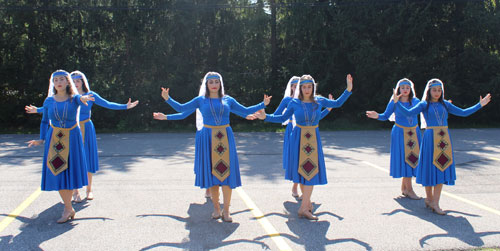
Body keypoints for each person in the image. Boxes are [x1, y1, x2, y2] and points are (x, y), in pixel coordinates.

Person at [158, 71, 271, 222]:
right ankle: (216, 209)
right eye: (211, 82)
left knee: (227, 174)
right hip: (208, 138)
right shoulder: (200, 100)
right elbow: (181, 109)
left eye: (216, 82)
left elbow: (244, 110)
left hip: (225, 137)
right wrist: (168, 99)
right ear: (206, 84)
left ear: (220, 84)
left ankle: (226, 211)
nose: (214, 85)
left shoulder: (228, 99)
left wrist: (263, 104)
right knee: (213, 175)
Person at [251, 74, 353, 220]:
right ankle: (304, 207)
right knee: (304, 172)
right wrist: (265, 117)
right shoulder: (294, 102)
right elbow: (281, 118)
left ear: (313, 87)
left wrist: (348, 90)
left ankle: (305, 207)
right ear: (300, 88)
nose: (306, 89)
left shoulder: (319, 101)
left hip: (313, 139)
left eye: (309, 87)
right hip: (298, 139)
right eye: (304, 87)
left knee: (311, 171)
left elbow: (336, 103)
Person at [394, 78, 491, 214]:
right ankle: (429, 199)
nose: (437, 92)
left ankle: (436, 202)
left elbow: (463, 113)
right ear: (429, 91)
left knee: (441, 167)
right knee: (429, 168)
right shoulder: (424, 104)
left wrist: (479, 105)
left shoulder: (445, 104)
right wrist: (396, 103)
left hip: (444, 139)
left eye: (439, 90)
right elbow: (408, 113)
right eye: (434, 90)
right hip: (430, 138)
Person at [27, 70, 94, 223]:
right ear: (53, 83)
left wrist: (83, 97)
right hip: (54, 140)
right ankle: (69, 207)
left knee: (69, 174)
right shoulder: (49, 101)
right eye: (56, 79)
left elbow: (80, 98)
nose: (59, 82)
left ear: (67, 82)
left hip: (72, 138)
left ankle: (67, 208)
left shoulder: (74, 98)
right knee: (57, 173)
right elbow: (45, 121)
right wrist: (41, 139)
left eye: (62, 79)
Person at [366, 78, 422, 199]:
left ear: (411, 89)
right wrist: (377, 116)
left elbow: (415, 112)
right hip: (400, 133)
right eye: (403, 88)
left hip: (414, 132)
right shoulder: (394, 102)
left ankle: (405, 188)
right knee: (405, 159)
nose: (405, 90)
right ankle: (410, 190)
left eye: (407, 88)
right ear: (398, 89)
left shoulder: (416, 101)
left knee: (413, 159)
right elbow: (385, 116)